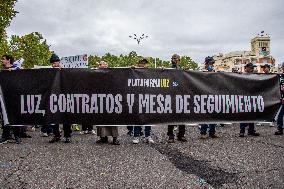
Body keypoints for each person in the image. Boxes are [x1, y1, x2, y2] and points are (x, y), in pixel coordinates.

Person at [48, 53, 73, 143]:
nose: (54, 64)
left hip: (65, 98)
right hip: (54, 98)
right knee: (54, 117)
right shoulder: (50, 72)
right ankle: (56, 135)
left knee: (66, 117)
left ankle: (67, 135)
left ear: (59, 62)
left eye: (56, 62)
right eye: (53, 63)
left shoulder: (65, 71)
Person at [96, 61, 120, 145]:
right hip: (100, 100)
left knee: (112, 120)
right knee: (101, 119)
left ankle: (114, 138)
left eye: (106, 65)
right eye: (103, 65)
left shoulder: (112, 74)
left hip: (111, 99)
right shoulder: (95, 74)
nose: (105, 67)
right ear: (99, 66)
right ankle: (103, 138)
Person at [132, 58, 154, 144]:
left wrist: (162, 69)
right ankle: (136, 136)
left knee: (148, 119)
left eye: (144, 63)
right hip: (137, 98)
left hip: (148, 98)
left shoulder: (150, 72)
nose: (143, 65)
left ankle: (148, 136)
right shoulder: (134, 71)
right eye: (141, 63)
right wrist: (131, 69)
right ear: (138, 64)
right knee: (137, 118)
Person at [0, 54, 21, 144]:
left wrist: (13, 70)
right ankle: (5, 136)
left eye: (3, 59)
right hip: (3, 97)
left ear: (8, 60)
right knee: (4, 117)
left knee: (15, 116)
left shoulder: (16, 69)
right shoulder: (2, 71)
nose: (2, 61)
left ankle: (17, 136)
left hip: (14, 96)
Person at [167, 54, 187, 143]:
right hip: (172, 96)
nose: (174, 60)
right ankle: (171, 136)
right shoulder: (168, 70)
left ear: (179, 60)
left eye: (176, 59)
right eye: (173, 59)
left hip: (181, 96)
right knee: (171, 117)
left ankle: (181, 135)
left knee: (182, 117)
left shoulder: (182, 70)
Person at [199, 56, 219, 139]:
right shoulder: (201, 71)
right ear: (206, 63)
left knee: (213, 114)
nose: (212, 65)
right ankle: (203, 132)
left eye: (213, 63)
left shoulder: (215, 71)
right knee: (205, 115)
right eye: (211, 63)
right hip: (204, 95)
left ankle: (212, 132)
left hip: (213, 95)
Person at [239, 63, 260, 137]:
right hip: (244, 97)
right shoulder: (241, 76)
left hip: (252, 97)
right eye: (251, 68)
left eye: (253, 68)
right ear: (246, 68)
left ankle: (251, 131)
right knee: (244, 115)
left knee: (252, 114)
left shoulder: (253, 76)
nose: (252, 69)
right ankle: (242, 131)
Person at [275, 62, 284, 135]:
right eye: (283, 66)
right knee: (280, 115)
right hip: (281, 99)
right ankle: (280, 129)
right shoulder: (280, 76)